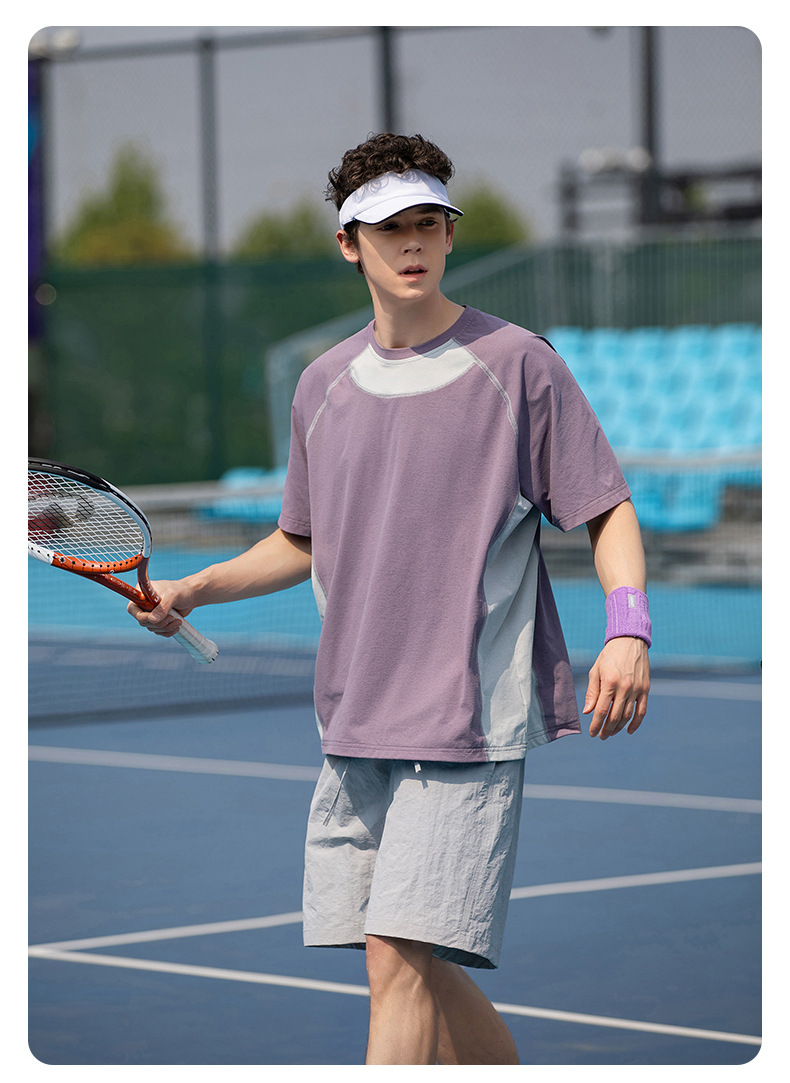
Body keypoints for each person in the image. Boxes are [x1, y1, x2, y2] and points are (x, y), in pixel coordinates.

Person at [129, 132, 651, 1065]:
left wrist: (628, 630)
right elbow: (303, 540)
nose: (412, 243)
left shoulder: (518, 363)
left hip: (466, 719)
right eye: (388, 227)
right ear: (348, 243)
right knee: (410, 963)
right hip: (354, 715)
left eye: (428, 224)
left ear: (449, 234)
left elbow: (603, 506)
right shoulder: (322, 385)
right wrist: (193, 589)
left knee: (397, 958)